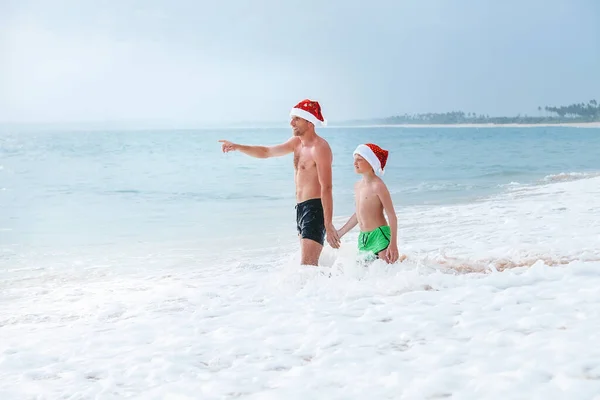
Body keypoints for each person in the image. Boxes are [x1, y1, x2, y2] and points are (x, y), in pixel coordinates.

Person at [218, 99, 340, 266]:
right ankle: (331, 288)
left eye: (297, 119)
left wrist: (328, 222)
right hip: (301, 208)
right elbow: (267, 152)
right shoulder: (296, 143)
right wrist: (238, 147)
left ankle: (334, 290)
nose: (291, 123)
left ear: (309, 122)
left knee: (307, 265)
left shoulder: (320, 148)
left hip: (315, 209)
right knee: (308, 266)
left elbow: (327, 187)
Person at [336, 143, 406, 264]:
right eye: (354, 159)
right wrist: (340, 233)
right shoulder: (357, 186)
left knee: (386, 272)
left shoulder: (378, 186)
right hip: (364, 238)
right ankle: (404, 261)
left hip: (380, 235)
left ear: (370, 162)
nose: (355, 163)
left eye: (359, 160)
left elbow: (392, 216)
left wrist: (393, 244)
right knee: (365, 277)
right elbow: (359, 214)